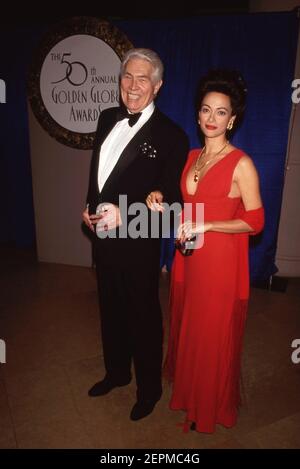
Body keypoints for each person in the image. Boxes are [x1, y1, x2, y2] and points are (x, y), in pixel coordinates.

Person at [82, 48, 189, 421]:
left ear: (157, 86)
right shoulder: (106, 117)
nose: (132, 85)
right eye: (127, 76)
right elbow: (99, 174)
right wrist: (89, 206)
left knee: (142, 316)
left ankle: (149, 389)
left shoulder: (172, 135)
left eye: (142, 78)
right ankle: (116, 373)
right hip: (104, 241)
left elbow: (171, 201)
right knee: (109, 310)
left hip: (138, 245)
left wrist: (125, 215)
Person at [163, 69, 265, 433]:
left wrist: (208, 225)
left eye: (221, 112)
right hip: (189, 259)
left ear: (232, 119)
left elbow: (255, 222)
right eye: (206, 110)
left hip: (219, 264)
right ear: (197, 114)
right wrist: (171, 213)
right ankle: (189, 399)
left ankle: (206, 411)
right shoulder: (191, 156)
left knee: (210, 336)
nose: (211, 118)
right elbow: (192, 204)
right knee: (190, 330)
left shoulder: (242, 164)